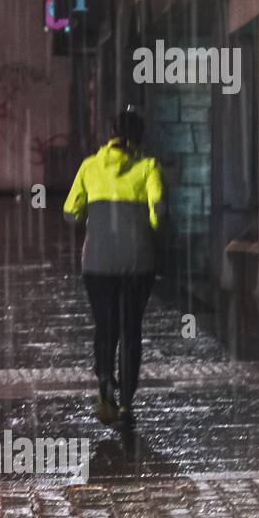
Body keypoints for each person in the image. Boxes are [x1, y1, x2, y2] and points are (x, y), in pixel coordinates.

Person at [63, 109, 166, 429]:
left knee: (105, 325)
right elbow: (160, 211)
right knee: (131, 329)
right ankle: (125, 406)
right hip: (138, 261)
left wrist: (93, 220)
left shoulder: (89, 166)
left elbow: (70, 211)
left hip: (98, 261)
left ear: (111, 133)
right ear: (139, 136)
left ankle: (105, 376)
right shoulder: (148, 167)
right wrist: (143, 225)